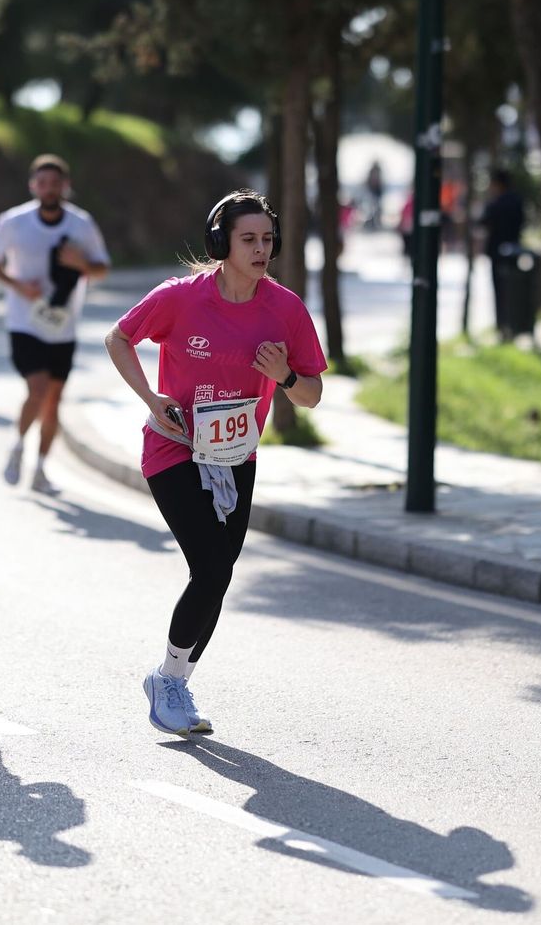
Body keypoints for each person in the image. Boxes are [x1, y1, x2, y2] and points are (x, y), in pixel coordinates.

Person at [105, 189, 327, 735]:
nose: (260, 249)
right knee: (210, 566)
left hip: (234, 456)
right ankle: (171, 682)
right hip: (174, 449)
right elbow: (119, 338)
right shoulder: (181, 297)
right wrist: (152, 401)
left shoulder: (285, 308)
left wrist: (286, 378)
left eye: (267, 239)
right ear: (220, 242)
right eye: (248, 239)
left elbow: (313, 395)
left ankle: (173, 678)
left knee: (218, 575)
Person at [0, 153, 110, 495]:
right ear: (33, 185)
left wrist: (82, 263)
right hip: (24, 321)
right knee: (36, 389)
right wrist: (17, 285)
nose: (49, 189)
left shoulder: (81, 224)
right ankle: (18, 445)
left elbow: (101, 268)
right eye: (43, 182)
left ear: (65, 186)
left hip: (63, 325)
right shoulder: (14, 221)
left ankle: (39, 470)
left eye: (56, 183)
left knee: (53, 401)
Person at [480, 170, 528, 340]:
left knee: (501, 290)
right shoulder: (517, 200)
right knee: (511, 290)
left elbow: (483, 221)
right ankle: (511, 325)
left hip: (497, 252)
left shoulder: (497, 203)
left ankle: (503, 326)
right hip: (514, 250)